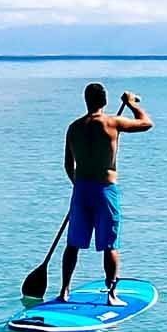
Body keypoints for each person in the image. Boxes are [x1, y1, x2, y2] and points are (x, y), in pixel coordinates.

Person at [57, 81, 152, 303]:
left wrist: (78, 186)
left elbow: (67, 165)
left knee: (73, 244)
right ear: (105, 101)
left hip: (81, 190)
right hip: (104, 190)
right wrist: (130, 104)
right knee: (110, 244)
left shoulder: (74, 127)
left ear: (86, 101)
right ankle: (111, 294)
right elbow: (147, 123)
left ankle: (64, 291)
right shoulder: (112, 122)